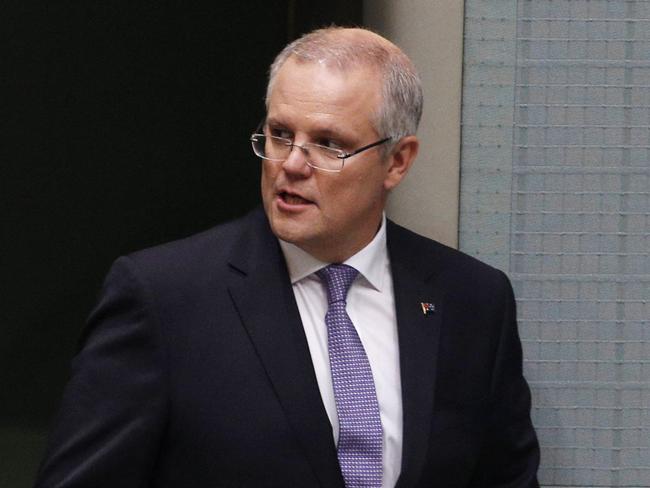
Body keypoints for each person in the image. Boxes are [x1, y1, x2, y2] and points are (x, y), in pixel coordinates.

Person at [35, 27, 539, 488]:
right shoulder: (164, 298)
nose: (292, 165)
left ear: (398, 161)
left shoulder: (472, 299)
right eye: (280, 134)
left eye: (327, 144)